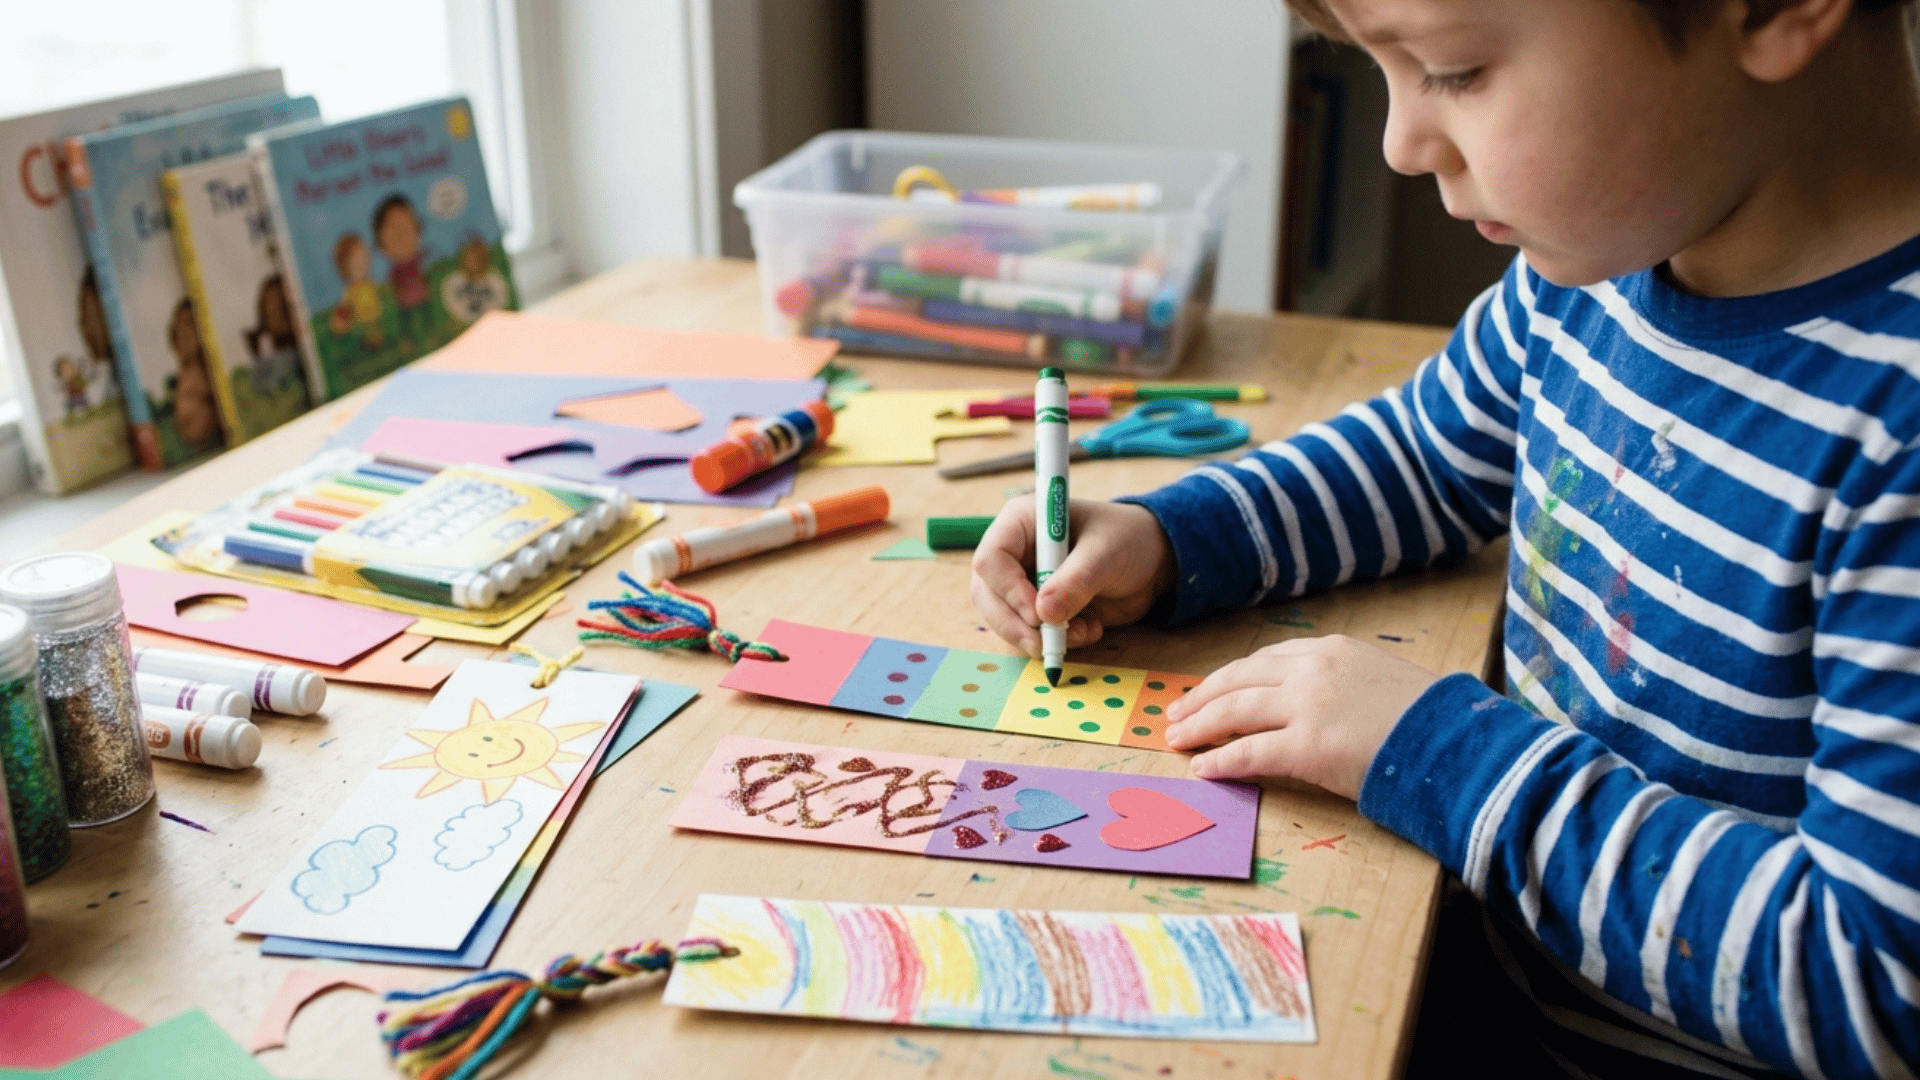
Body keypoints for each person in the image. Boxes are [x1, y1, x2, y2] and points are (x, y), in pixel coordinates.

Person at [970, 1, 1920, 1076]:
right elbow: (1423, 458)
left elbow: (1872, 978)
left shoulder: (1898, 426)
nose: (1399, 143)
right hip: (1474, 981)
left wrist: (1435, 754)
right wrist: (1172, 537)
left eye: (1455, 71)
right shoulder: (1602, 273)